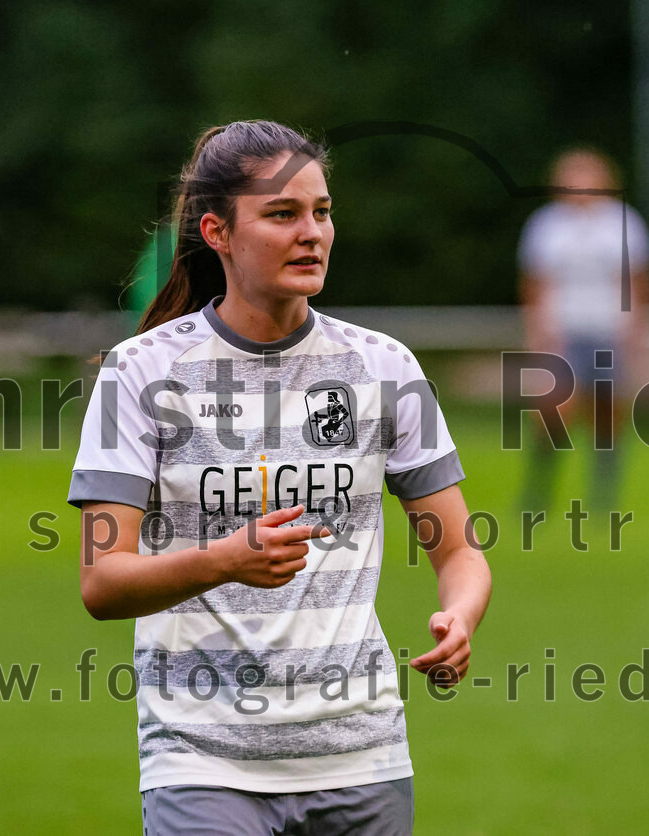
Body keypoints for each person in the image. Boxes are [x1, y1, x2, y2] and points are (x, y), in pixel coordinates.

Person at [67, 120, 492, 835]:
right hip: (202, 762)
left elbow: (457, 552)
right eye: (282, 214)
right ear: (218, 232)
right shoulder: (140, 373)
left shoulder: (385, 368)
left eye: (321, 212)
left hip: (364, 760)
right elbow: (102, 583)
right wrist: (222, 561)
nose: (312, 233)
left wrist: (461, 615)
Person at [517, 148, 649, 513]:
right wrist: (538, 332)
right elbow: (535, 283)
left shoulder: (623, 223)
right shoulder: (547, 226)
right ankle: (538, 493)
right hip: (563, 334)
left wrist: (636, 331)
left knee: (608, 416)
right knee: (553, 413)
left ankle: (603, 496)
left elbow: (639, 281)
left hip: (609, 332)